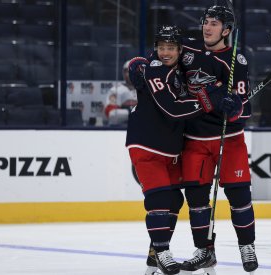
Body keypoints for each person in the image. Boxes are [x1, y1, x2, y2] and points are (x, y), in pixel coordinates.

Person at [126, 25, 235, 275]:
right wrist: (210, 102)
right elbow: (173, 109)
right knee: (160, 199)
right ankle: (162, 253)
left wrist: (220, 96)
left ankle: (156, 257)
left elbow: (202, 66)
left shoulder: (179, 70)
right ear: (156, 49)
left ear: (179, 49)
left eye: (171, 48)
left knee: (175, 199)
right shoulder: (154, 70)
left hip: (170, 148)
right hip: (146, 144)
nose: (165, 53)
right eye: (161, 48)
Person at [179, 5, 258, 274]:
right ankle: (204, 251)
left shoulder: (237, 61)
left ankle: (247, 246)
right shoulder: (187, 51)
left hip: (230, 139)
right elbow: (163, 59)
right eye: (205, 22)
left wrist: (233, 107)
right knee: (197, 199)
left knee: (239, 196)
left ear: (226, 30)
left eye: (214, 23)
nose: (207, 27)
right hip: (194, 140)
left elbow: (245, 110)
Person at [104, 59, 138, 125]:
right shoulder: (115, 90)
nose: (129, 74)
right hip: (119, 129)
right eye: (127, 71)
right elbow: (111, 113)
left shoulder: (146, 90)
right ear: (123, 73)